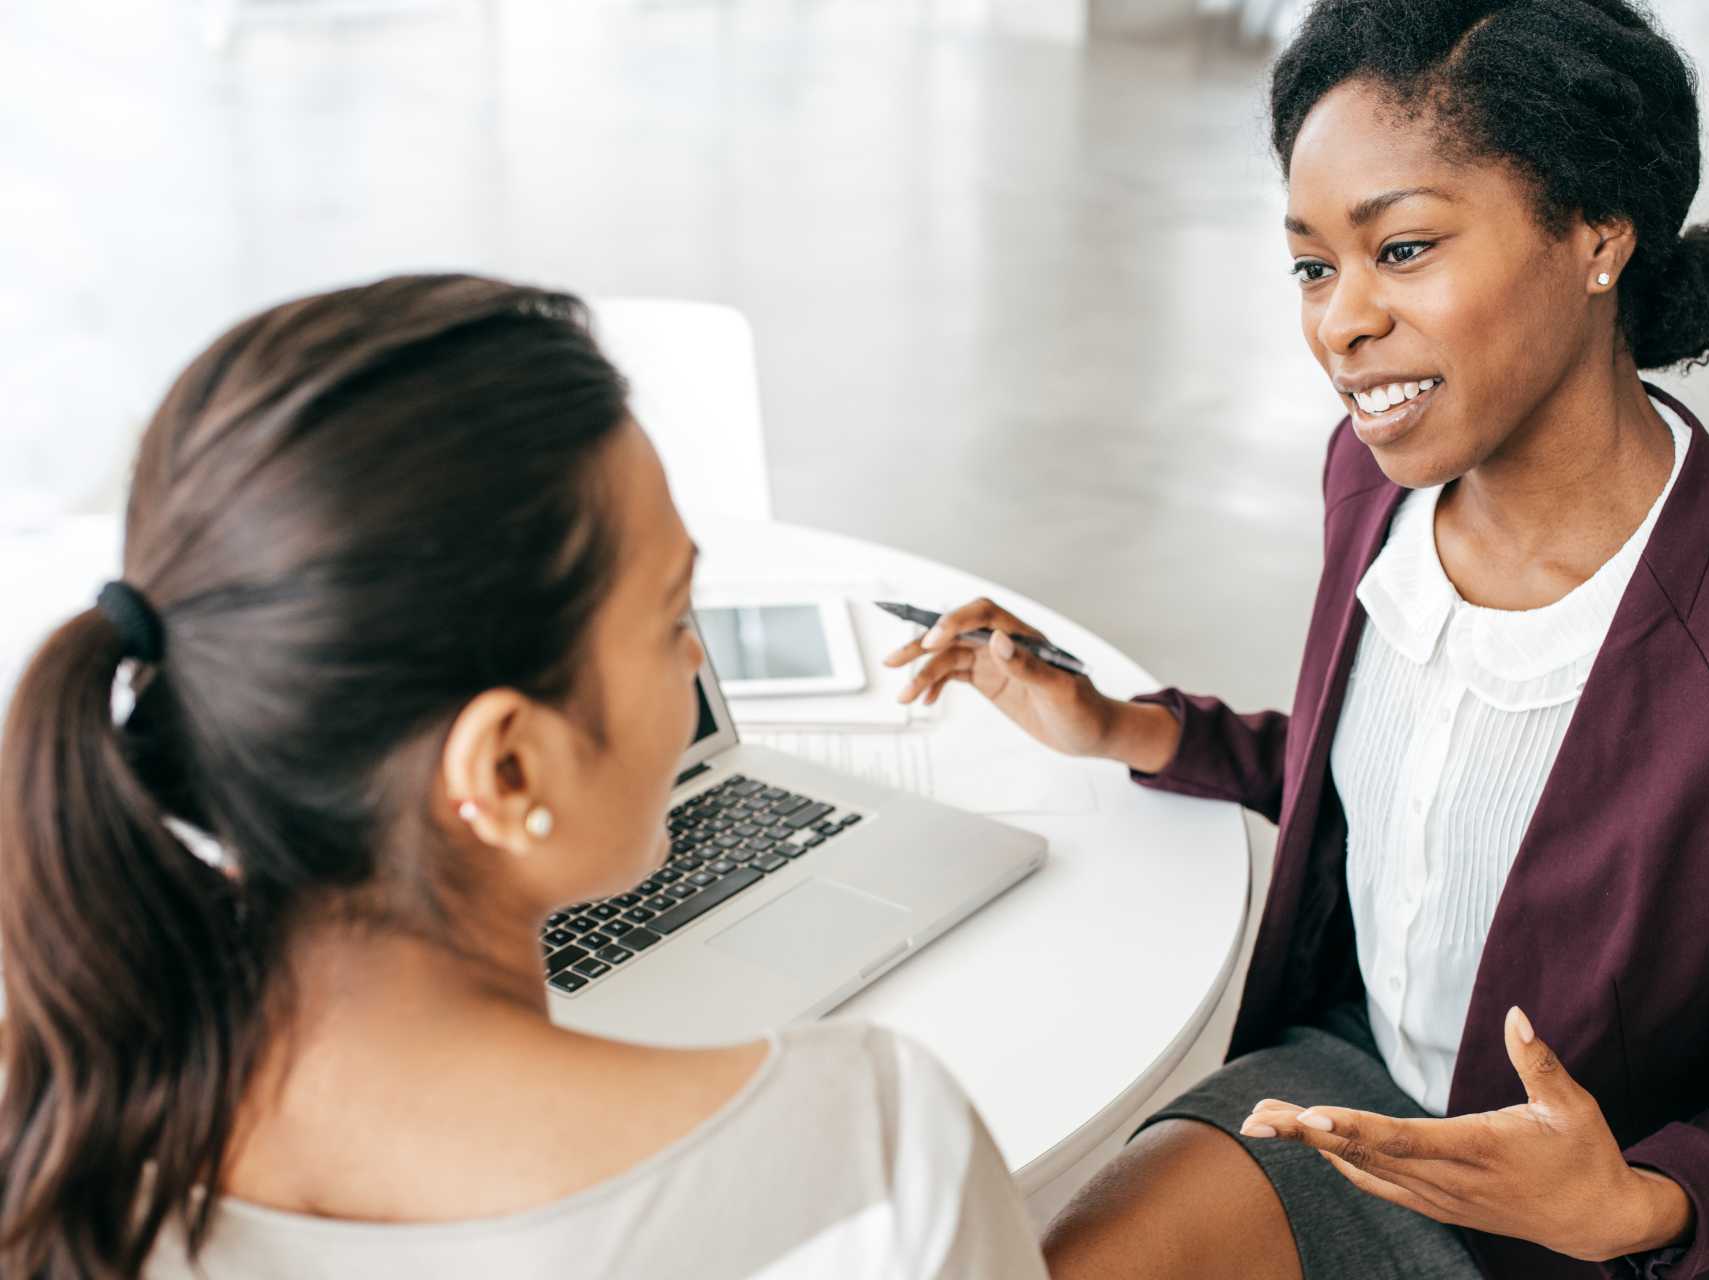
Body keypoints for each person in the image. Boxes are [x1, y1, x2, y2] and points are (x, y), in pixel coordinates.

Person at [885, 2, 1709, 1277]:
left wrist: (1632, 1202)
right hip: (1345, 1095)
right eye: (1313, 267)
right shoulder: (1371, 484)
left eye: (1404, 248)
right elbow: (1396, 781)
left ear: (1597, 233)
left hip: (1573, 1234)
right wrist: (1123, 725)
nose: (1341, 323)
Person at [0, 276, 1048, 1280]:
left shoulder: (50, 1130)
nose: (697, 659)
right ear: (505, 768)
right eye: (671, 619)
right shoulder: (871, 1151)